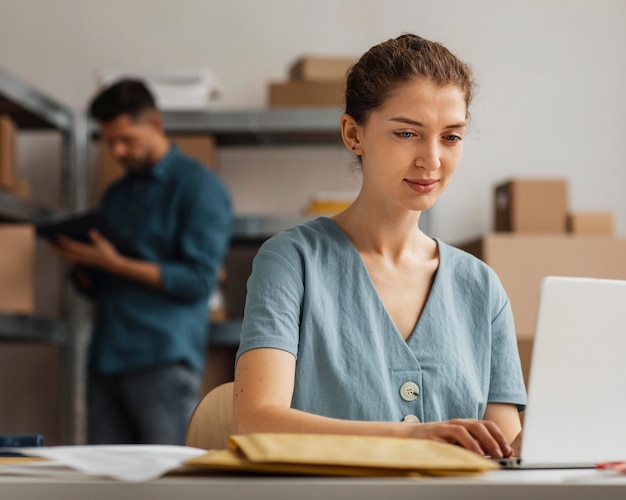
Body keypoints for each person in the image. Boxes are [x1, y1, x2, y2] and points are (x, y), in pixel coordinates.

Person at [233, 34, 526, 459]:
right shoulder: (291, 261)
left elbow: (503, 451)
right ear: (354, 134)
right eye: (408, 133)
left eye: (451, 137)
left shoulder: (481, 286)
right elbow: (255, 422)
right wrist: (413, 437)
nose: (432, 159)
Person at [52, 79, 232, 445]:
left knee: (167, 485)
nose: (118, 151)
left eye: (126, 139)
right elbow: (108, 285)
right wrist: (88, 269)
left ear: (154, 123)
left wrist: (117, 264)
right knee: (104, 486)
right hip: (105, 359)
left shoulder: (200, 187)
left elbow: (198, 281)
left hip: (162, 361)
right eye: (109, 142)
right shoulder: (116, 194)